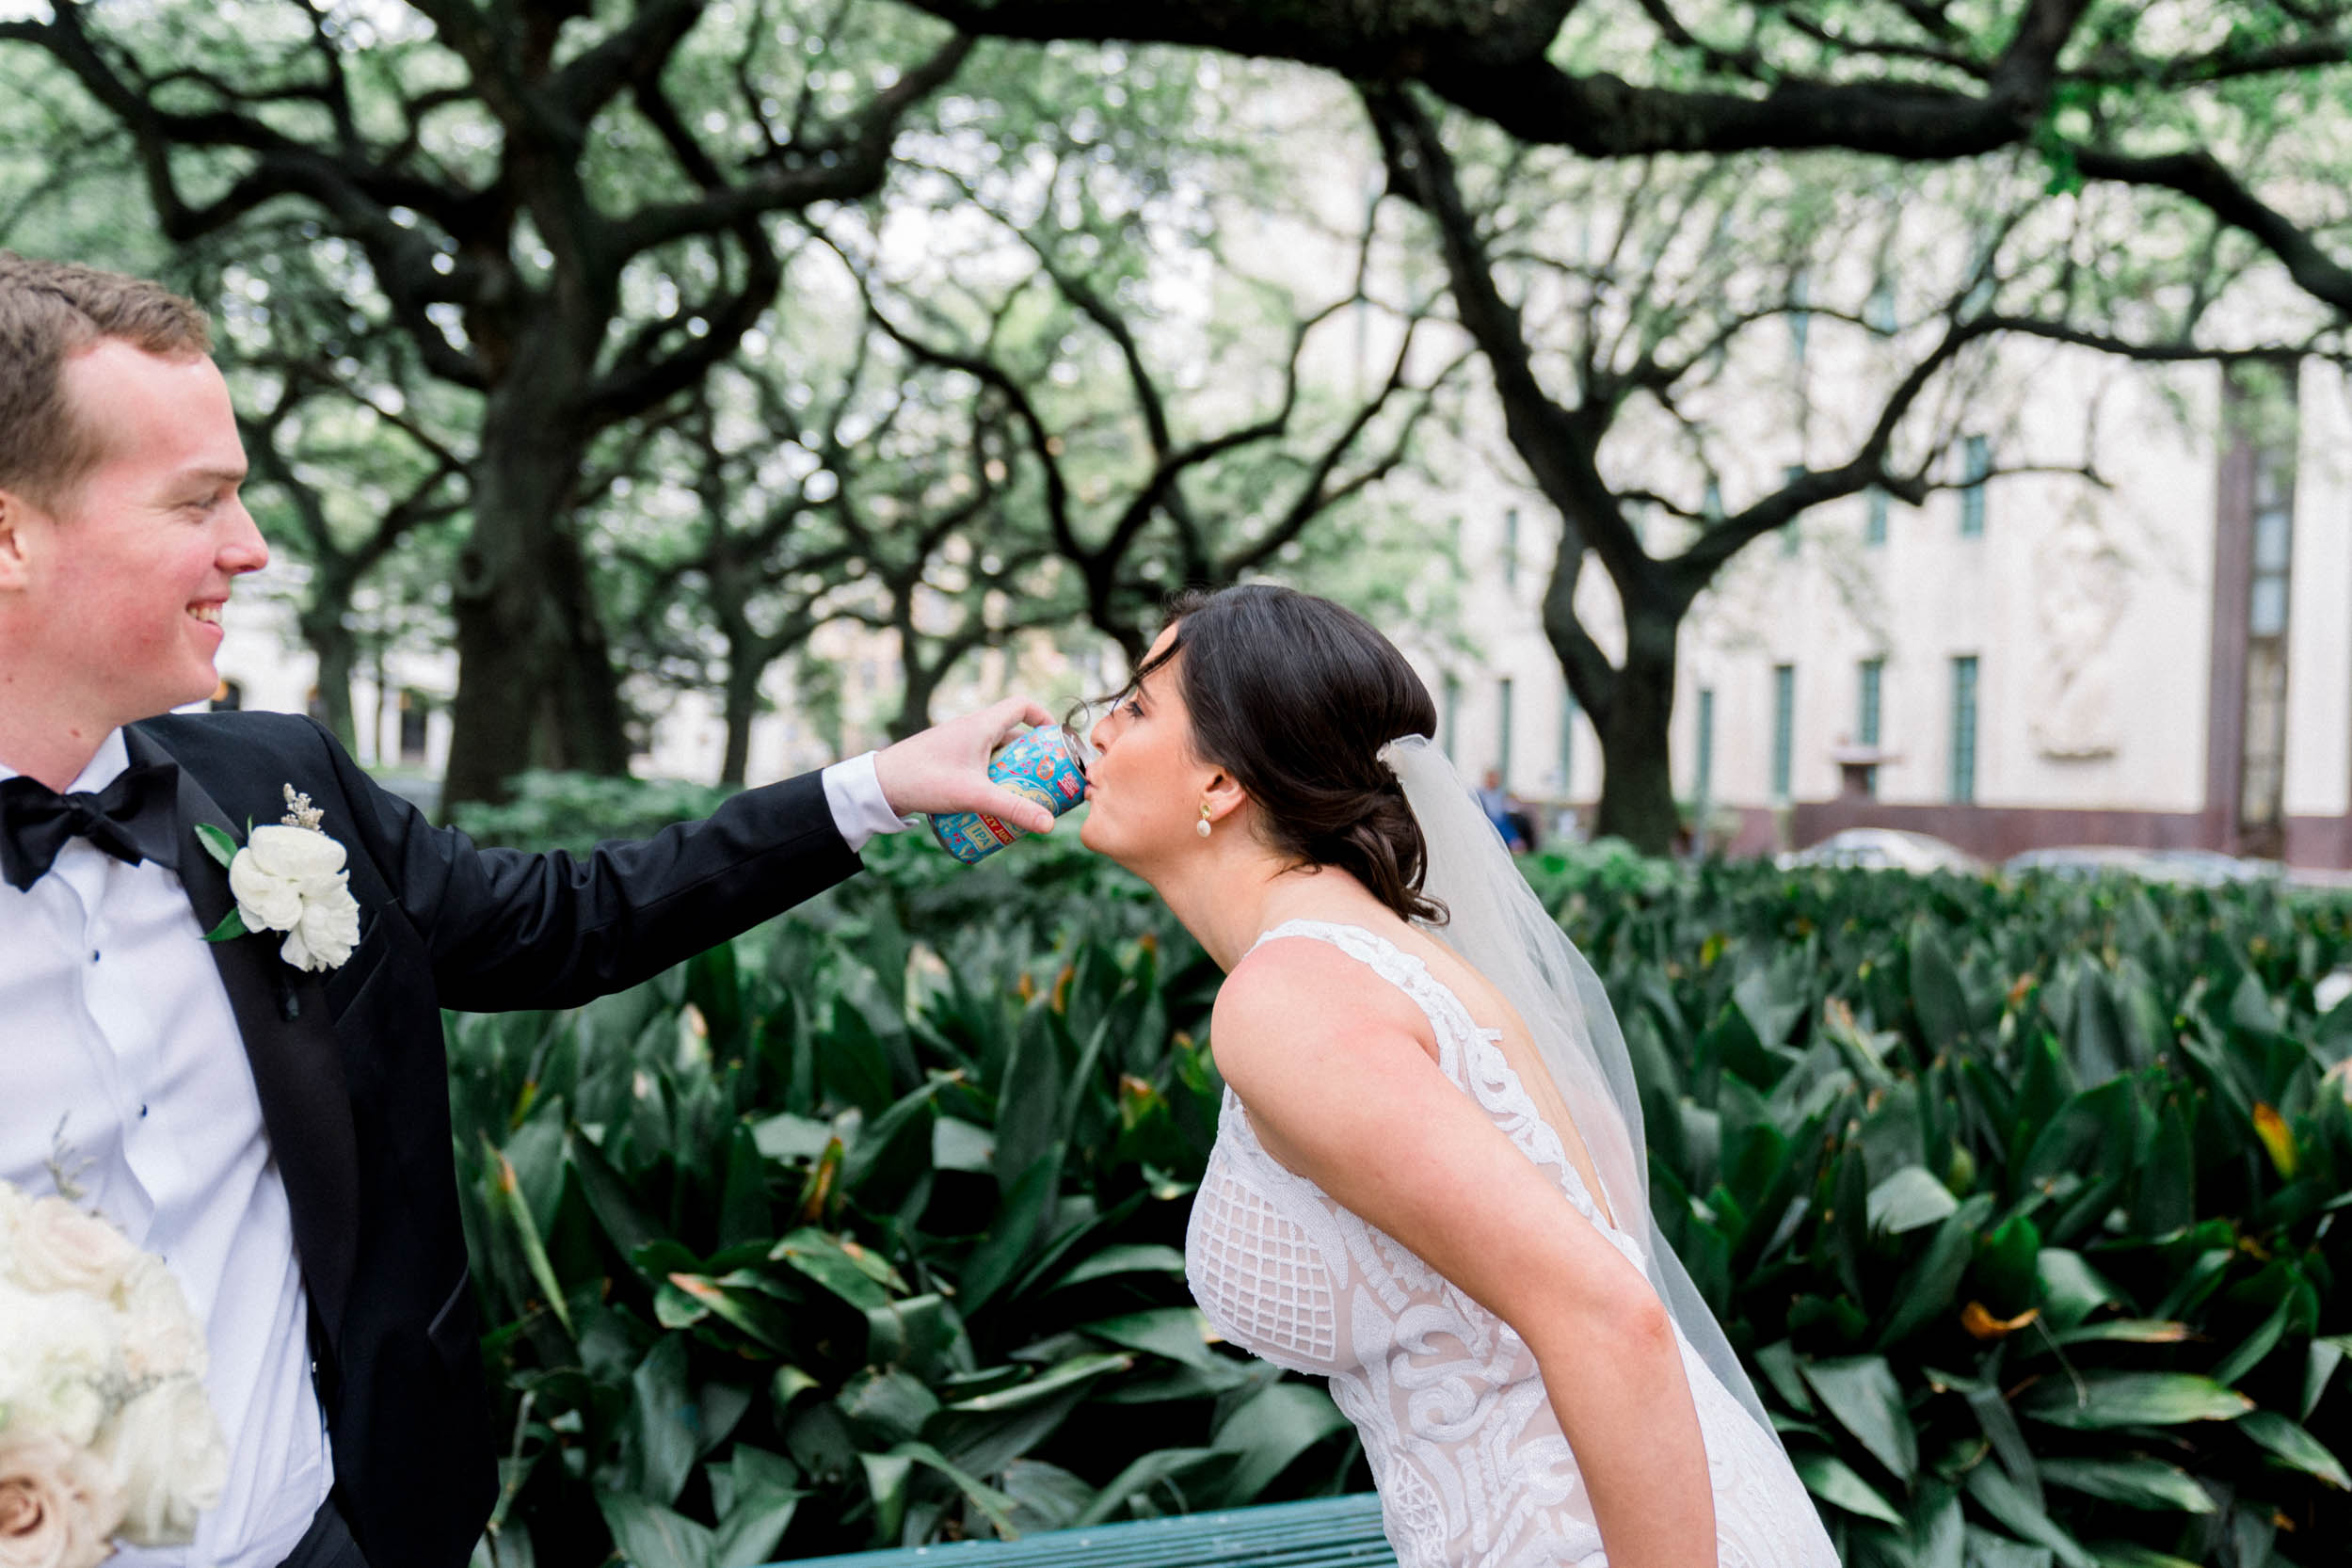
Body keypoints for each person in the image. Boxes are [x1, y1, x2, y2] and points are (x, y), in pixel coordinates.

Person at [0, 253, 1058, 1568]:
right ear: (10, 534)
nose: (249, 548)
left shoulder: (274, 782)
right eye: (198, 501)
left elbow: (565, 919)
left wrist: (869, 790)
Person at [1078, 584, 1837, 1568]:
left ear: (1221, 782)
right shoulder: (1393, 962)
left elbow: (1614, 1314)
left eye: (1136, 707)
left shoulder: (1292, 996)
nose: (1093, 733)